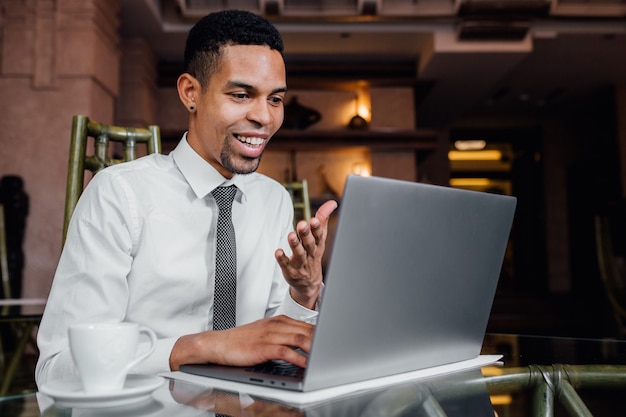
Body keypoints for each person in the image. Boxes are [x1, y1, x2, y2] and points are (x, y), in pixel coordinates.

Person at [35, 9, 337, 386]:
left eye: (275, 99)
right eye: (242, 95)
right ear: (190, 93)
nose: (264, 117)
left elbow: (278, 345)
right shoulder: (119, 194)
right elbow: (59, 369)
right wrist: (204, 347)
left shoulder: (273, 199)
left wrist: (304, 291)